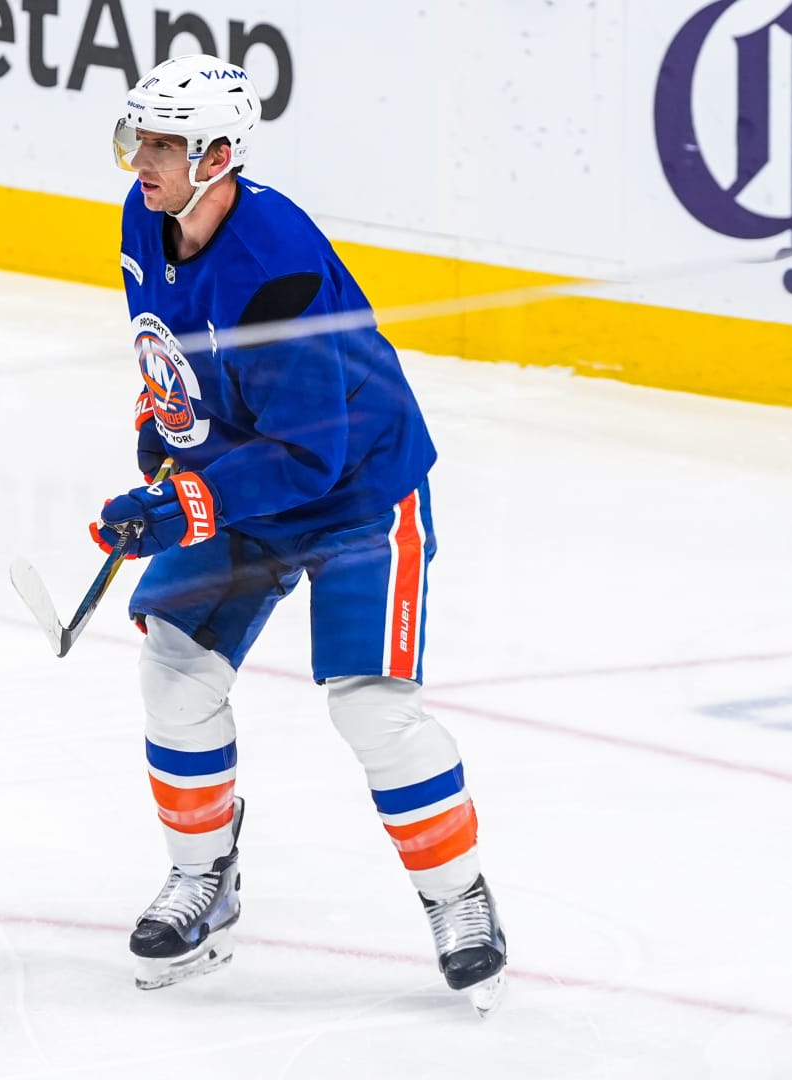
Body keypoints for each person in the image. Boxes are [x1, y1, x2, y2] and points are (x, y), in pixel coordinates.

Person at [90, 54, 506, 1013]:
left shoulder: (277, 265)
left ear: (218, 157)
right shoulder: (145, 219)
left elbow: (312, 455)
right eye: (138, 139)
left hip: (358, 493)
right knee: (175, 670)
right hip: (245, 479)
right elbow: (168, 353)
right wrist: (163, 443)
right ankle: (204, 878)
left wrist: (181, 507)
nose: (141, 161)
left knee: (372, 709)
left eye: (163, 146)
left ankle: (460, 900)